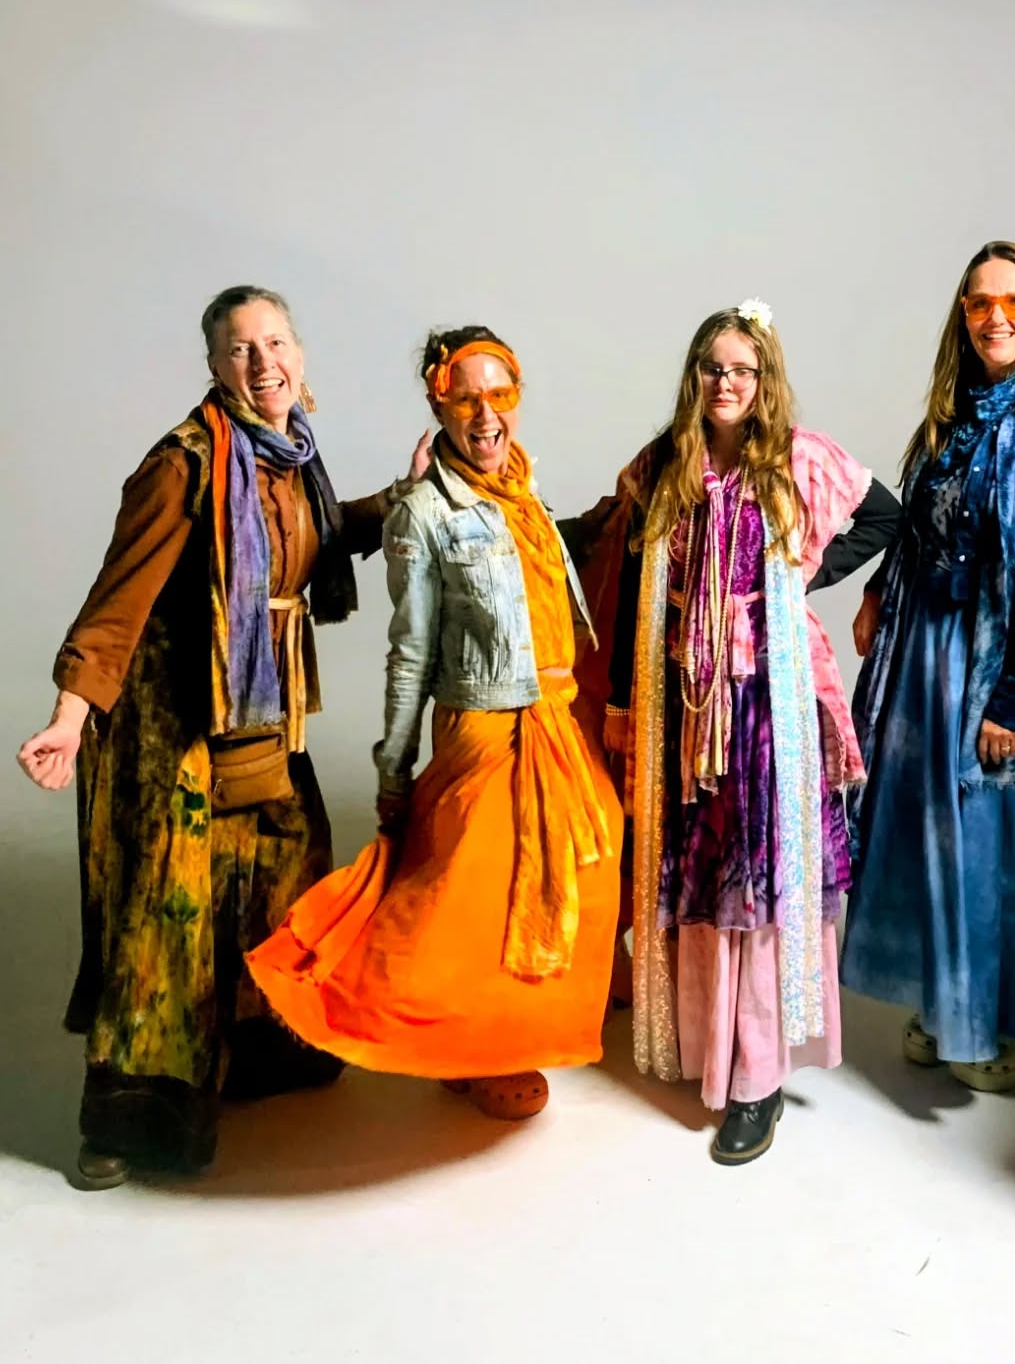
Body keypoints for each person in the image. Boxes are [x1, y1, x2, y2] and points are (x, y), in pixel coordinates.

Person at [16, 284, 428, 1187]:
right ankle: (130, 1119)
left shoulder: (290, 460)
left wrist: (404, 496)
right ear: (214, 366)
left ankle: (257, 1055)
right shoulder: (186, 464)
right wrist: (70, 718)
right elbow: (116, 602)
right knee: (171, 911)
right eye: (240, 349)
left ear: (300, 354)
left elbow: (316, 541)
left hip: (261, 711)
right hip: (174, 729)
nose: (262, 362)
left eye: (275, 342)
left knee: (285, 866)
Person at [246, 326, 621, 1121]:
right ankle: (471, 1047)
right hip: (485, 726)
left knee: (588, 856)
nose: (486, 416)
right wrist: (393, 768)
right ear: (438, 403)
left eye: (501, 395)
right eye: (465, 398)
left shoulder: (526, 496)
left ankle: (515, 1027)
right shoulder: (424, 515)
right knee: (475, 892)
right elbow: (410, 653)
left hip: (555, 719)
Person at [594, 300, 898, 1164]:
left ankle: (758, 1075)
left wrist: (798, 575)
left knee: (755, 882)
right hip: (686, 702)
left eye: (742, 370)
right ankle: (706, 1046)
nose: (727, 384)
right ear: (694, 378)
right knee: (694, 877)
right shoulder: (660, 470)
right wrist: (621, 701)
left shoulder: (797, 460)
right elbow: (633, 595)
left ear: (763, 380)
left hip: (768, 697)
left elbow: (888, 517)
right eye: (712, 369)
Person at [841, 241, 1015, 1092]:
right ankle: (955, 998)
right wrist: (881, 591)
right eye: (978, 303)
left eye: (1014, 302)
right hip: (921, 649)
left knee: (998, 831)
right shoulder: (951, 419)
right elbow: (919, 519)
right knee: (933, 829)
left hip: (992, 656)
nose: (995, 317)